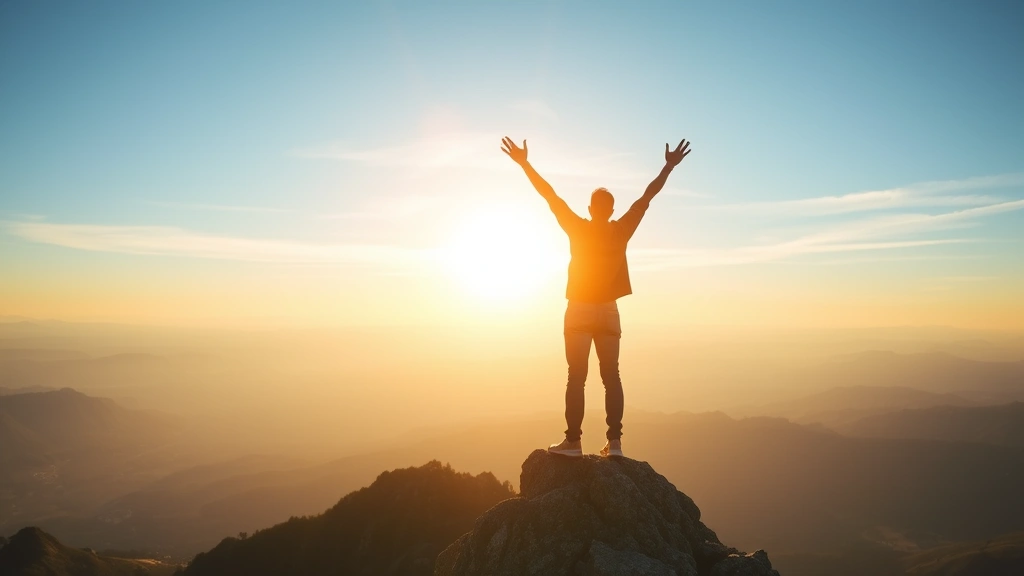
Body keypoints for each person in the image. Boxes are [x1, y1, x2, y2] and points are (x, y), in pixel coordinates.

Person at [501, 136, 691, 458]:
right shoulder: (621, 229)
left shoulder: (577, 227)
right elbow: (647, 197)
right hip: (608, 311)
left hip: (578, 311)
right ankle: (614, 443)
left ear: (590, 209)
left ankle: (573, 442)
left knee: (577, 377)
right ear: (612, 210)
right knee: (611, 375)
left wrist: (524, 164)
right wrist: (668, 166)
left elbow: (550, 196)